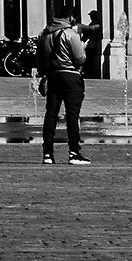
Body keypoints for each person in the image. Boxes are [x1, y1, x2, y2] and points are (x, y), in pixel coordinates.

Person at [36, 11, 90, 166]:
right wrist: (83, 48)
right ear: (70, 18)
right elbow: (80, 58)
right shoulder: (70, 34)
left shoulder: (44, 35)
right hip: (70, 77)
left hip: (52, 76)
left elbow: (39, 58)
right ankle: (74, 153)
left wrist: (44, 74)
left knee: (51, 114)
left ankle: (47, 154)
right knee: (72, 115)